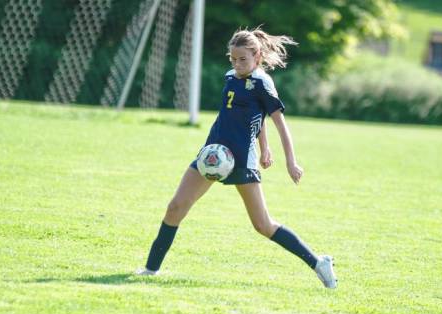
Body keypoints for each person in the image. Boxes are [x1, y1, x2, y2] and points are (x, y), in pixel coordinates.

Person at [136, 27, 337, 289]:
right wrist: (264, 145)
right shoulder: (231, 76)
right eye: (233, 59)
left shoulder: (263, 83)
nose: (237, 64)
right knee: (176, 207)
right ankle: (151, 270)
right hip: (213, 154)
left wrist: (290, 161)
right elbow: (252, 116)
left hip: (241, 160)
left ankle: (318, 262)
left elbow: (278, 122)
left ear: (256, 56)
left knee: (263, 225)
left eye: (242, 59)